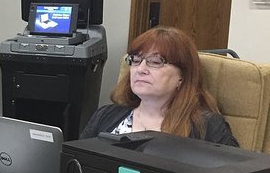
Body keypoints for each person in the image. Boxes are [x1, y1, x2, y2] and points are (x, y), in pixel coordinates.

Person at [80, 26, 238, 146]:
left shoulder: (207, 127)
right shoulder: (105, 115)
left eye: (155, 62)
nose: (140, 70)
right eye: (135, 60)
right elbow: (73, 169)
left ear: (182, 77)